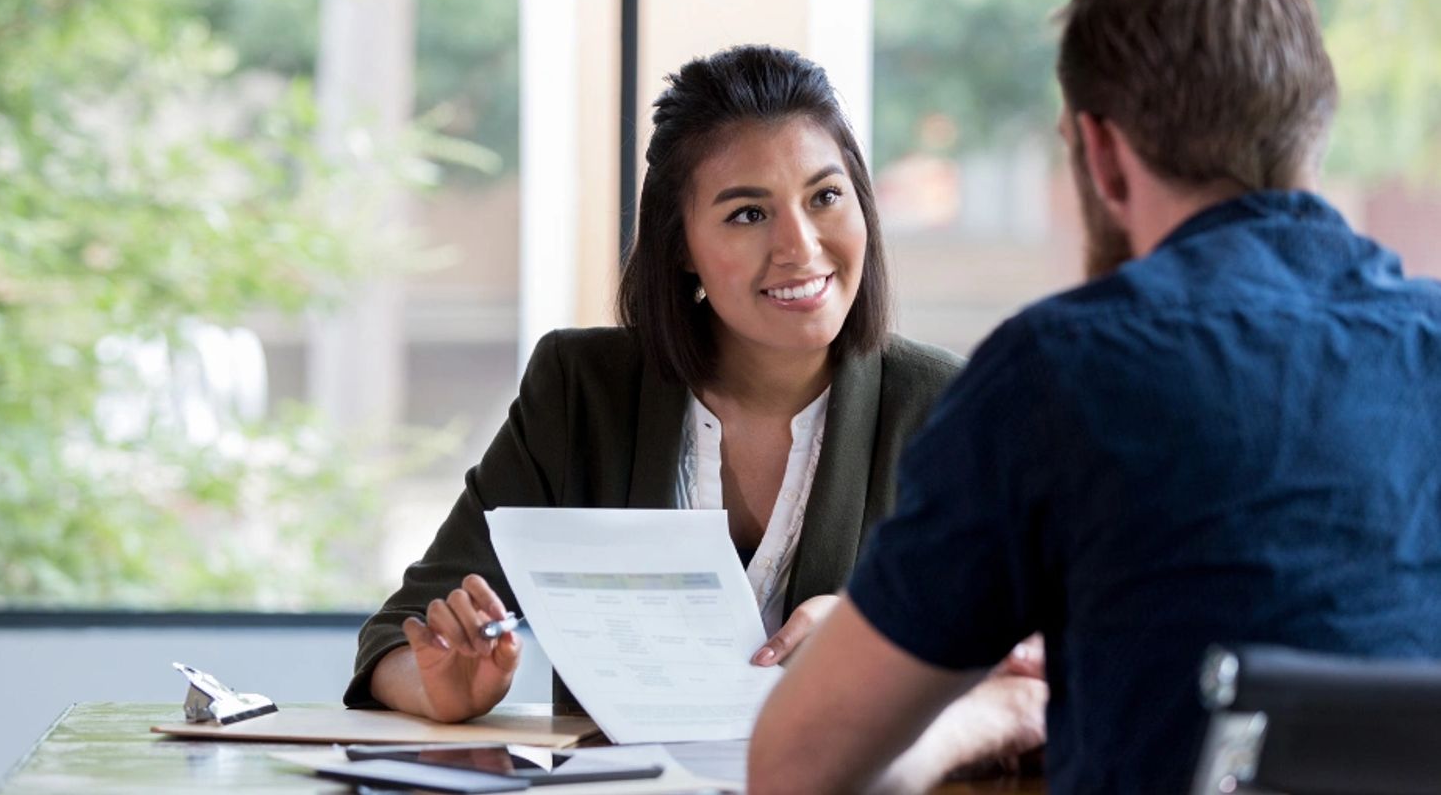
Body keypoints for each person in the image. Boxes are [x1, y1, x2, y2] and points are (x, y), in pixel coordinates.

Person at [749, 0, 1441, 794]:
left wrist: (988, 713)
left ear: (1102, 153)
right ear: (1315, 123)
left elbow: (795, 768)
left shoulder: (1061, 372)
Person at [344, 44, 1044, 776]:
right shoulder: (581, 390)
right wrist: (438, 687)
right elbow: (399, 634)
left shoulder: (947, 409)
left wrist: (882, 640)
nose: (800, 247)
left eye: (825, 197)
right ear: (682, 246)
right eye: (747, 214)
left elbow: (1034, 658)